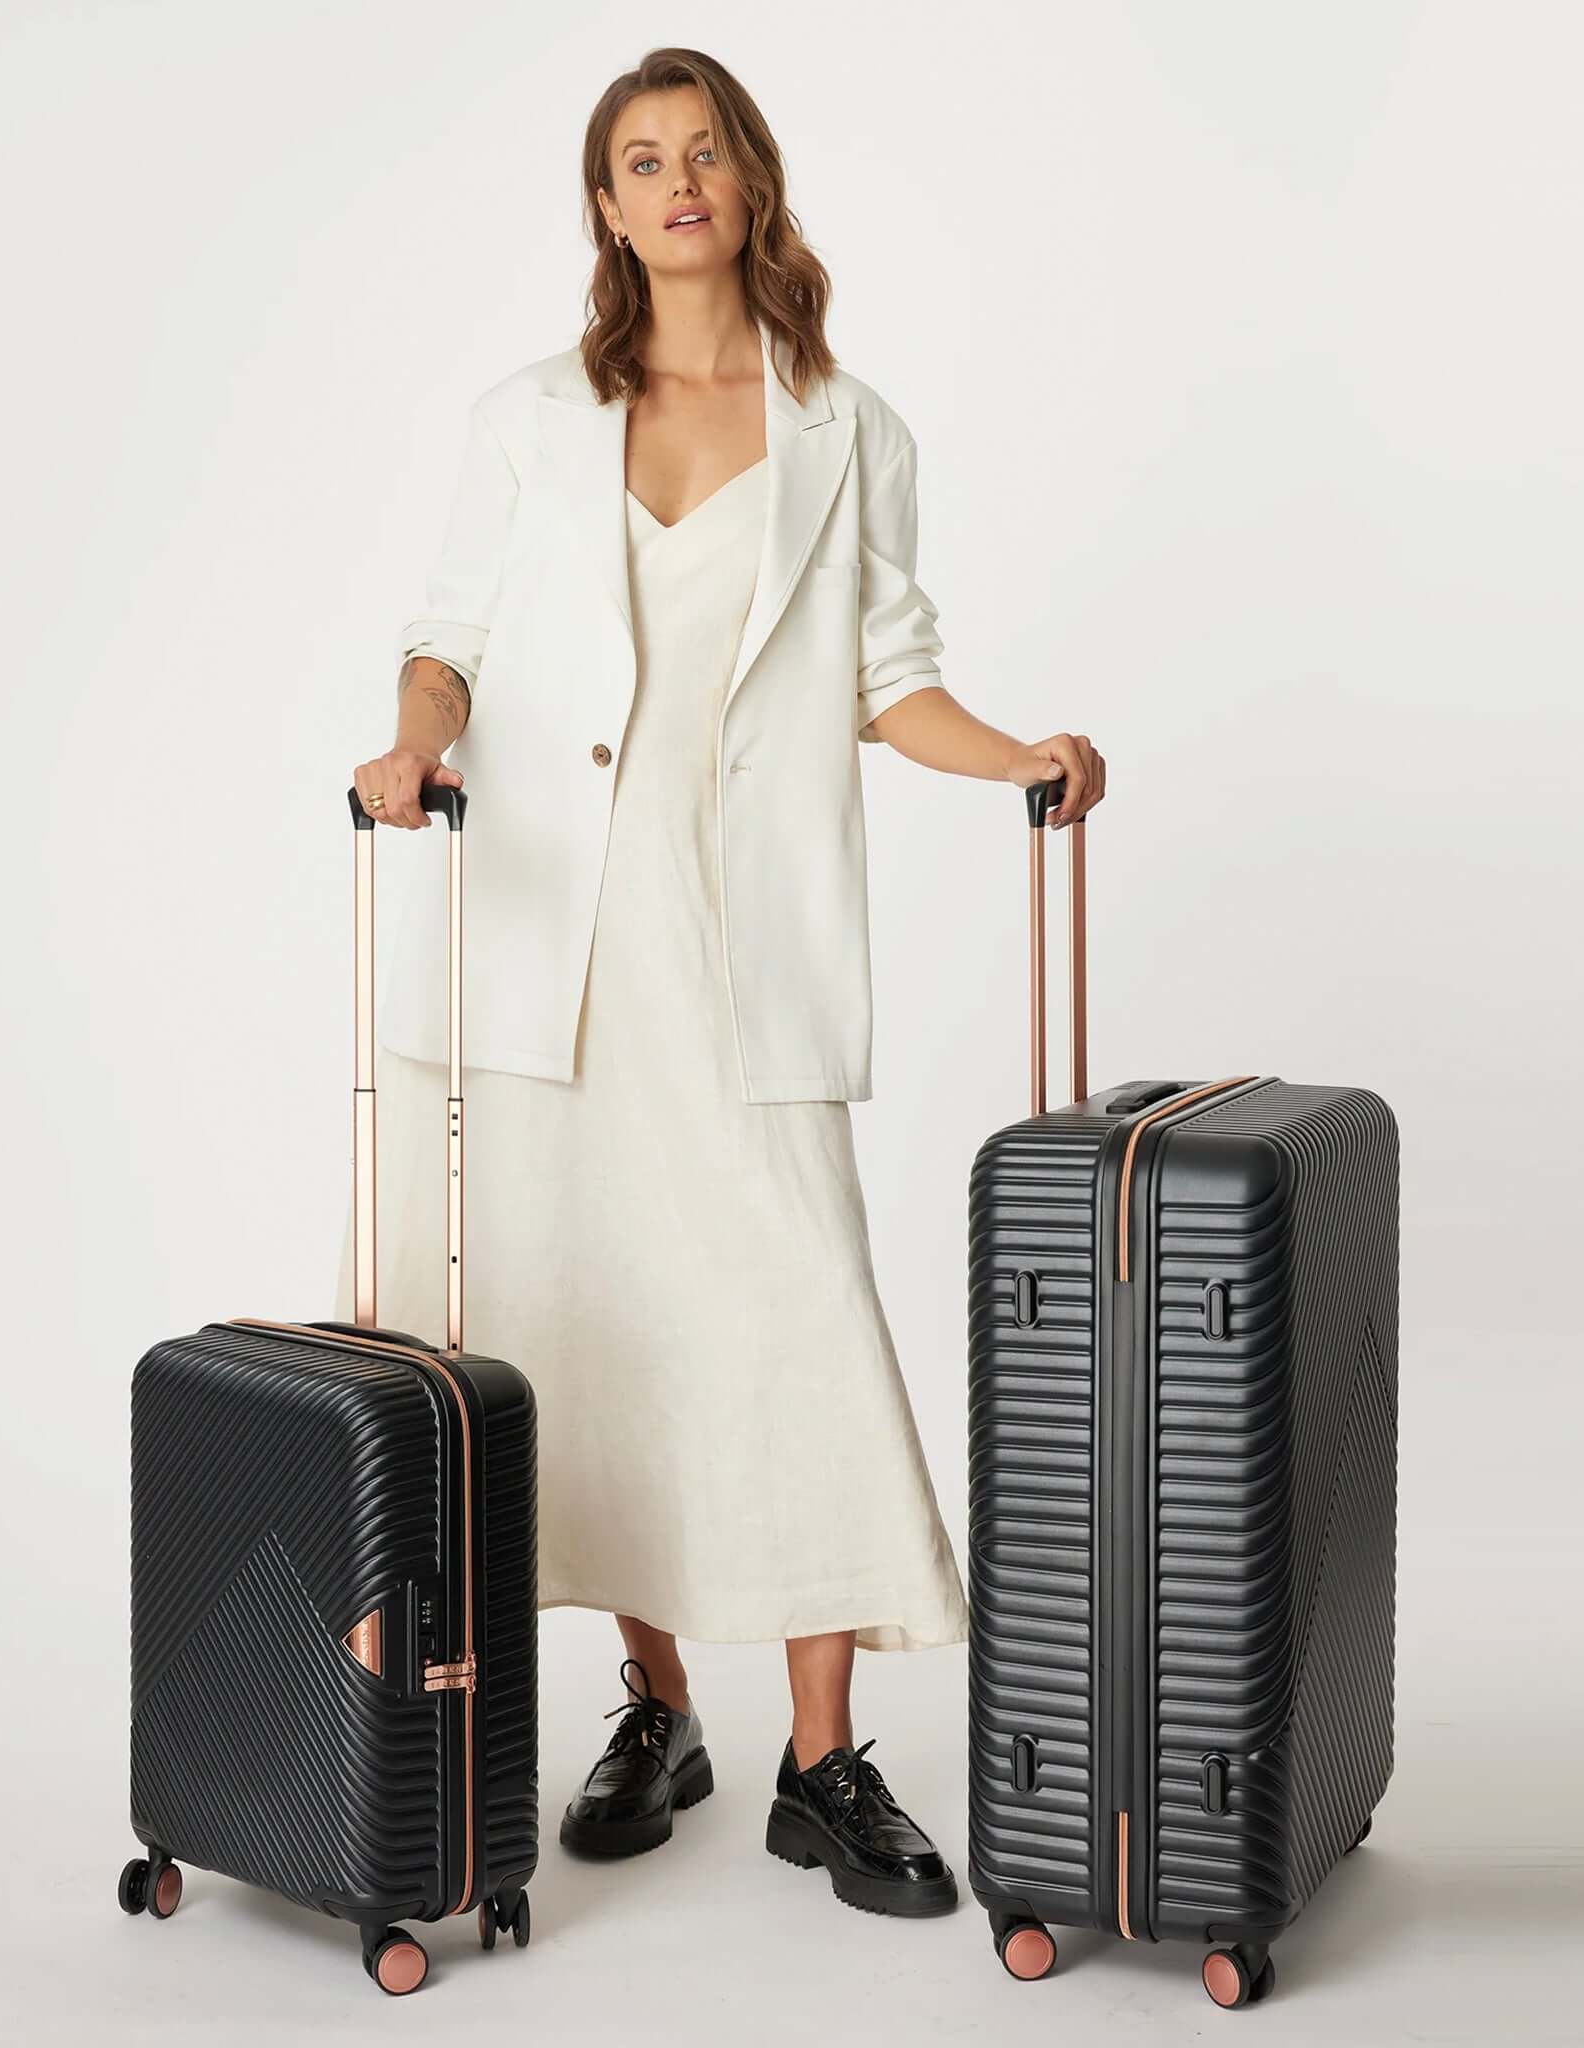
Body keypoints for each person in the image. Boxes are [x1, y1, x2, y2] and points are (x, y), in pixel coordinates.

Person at [343, 46, 1105, 1920]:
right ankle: (659, 1706)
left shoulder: (853, 428)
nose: (676, 183)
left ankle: (824, 1759)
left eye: (703, 153)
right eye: (638, 160)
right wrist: (408, 747)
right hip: (549, 954)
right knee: (588, 1343)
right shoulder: (531, 419)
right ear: (604, 207)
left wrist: (1019, 754)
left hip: (743, 944)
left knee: (792, 1321)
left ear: (750, 183)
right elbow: (447, 644)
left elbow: (886, 674)